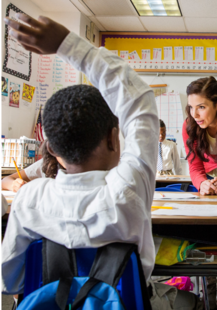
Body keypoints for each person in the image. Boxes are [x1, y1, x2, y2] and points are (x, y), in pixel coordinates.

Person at [2, 15, 200, 309]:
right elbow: (140, 100)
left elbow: (10, 282)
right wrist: (68, 45)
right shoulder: (128, 189)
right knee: (189, 301)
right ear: (113, 138)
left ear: (52, 150)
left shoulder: (30, 199)